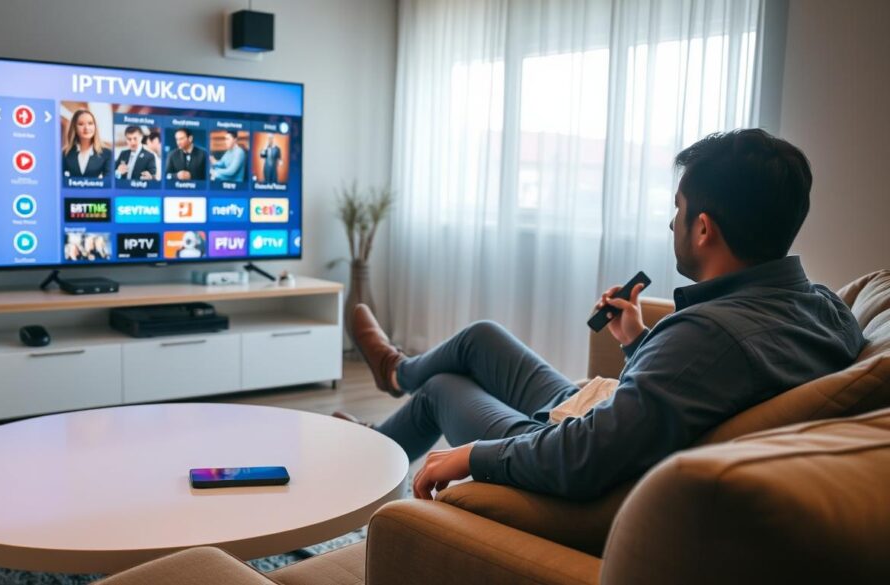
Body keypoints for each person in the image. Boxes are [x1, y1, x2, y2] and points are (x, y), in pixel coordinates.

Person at [340, 128, 865, 502]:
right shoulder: (826, 309)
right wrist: (636, 337)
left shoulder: (711, 337)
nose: (670, 221)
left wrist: (473, 456)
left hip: (563, 438)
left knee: (441, 389)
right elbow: (691, 387)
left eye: (678, 209)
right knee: (481, 337)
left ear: (703, 228)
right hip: (604, 407)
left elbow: (584, 457)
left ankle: (370, 444)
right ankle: (396, 371)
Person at [62, 109, 111, 179]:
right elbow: (59, 180)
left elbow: (108, 182)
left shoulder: (107, 153)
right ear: (74, 127)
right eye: (81, 124)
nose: (86, 128)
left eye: (90, 123)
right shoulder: (65, 153)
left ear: (95, 126)